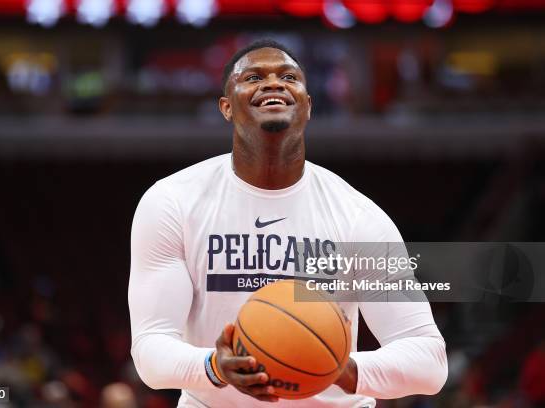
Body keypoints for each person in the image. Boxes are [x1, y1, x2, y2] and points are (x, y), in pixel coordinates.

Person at [128, 39, 447, 407]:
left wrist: (341, 369)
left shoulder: (358, 216)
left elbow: (429, 361)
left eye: (289, 76)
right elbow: (150, 350)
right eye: (253, 76)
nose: (274, 83)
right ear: (226, 107)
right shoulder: (172, 202)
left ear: (308, 106)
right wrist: (214, 366)